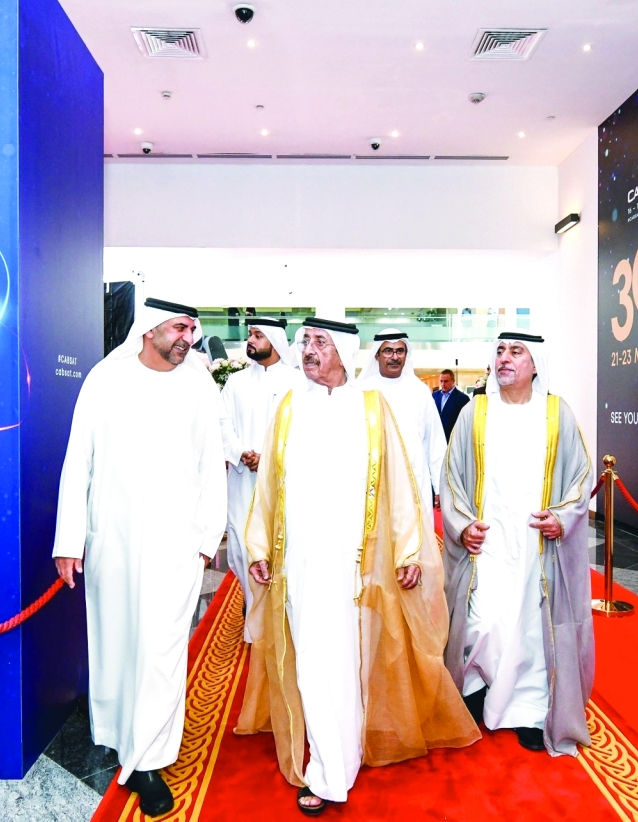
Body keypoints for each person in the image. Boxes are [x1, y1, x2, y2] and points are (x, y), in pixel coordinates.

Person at [235, 317, 478, 816]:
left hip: (354, 567)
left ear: (343, 352)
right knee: (310, 660)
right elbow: (268, 488)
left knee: (343, 661)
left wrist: (408, 550)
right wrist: (259, 548)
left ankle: (334, 767)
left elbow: (399, 485)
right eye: (305, 341)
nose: (309, 350)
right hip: (299, 562)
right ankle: (334, 761)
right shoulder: (289, 407)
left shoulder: (370, 408)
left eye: (320, 342)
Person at [53, 297, 227, 818]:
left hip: (177, 545)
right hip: (113, 540)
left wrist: (207, 538)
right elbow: (78, 460)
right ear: (150, 329)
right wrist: (69, 539)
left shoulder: (199, 385)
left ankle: (148, 759)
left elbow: (211, 465)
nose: (188, 338)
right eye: (179, 328)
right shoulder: (106, 379)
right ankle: (114, 731)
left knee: (161, 650)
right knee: (116, 641)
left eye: (192, 329)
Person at [441, 332, 593, 755]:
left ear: (535, 363)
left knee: (530, 627)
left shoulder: (556, 413)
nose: (504, 359)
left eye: (515, 352)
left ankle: (529, 708)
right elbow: (451, 477)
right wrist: (462, 525)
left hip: (535, 545)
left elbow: (581, 476)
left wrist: (561, 518)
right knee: (483, 620)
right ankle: (476, 686)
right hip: (487, 541)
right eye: (500, 351)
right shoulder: (475, 413)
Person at [219, 318, 302, 597]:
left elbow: (303, 430)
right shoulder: (236, 381)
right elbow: (222, 422)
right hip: (243, 480)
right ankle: (251, 604)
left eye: (258, 335)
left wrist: (269, 458)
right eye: (250, 335)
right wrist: (240, 452)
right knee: (242, 544)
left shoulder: (297, 383)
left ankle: (282, 607)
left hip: (284, 481)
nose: (250, 341)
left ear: (275, 341)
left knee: (283, 543)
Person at [358, 330, 447, 513]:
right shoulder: (362, 390)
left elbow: (435, 442)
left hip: (415, 479)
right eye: (388, 351)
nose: (395, 357)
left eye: (400, 351)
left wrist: (440, 487)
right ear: (377, 355)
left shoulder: (420, 391)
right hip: (372, 482)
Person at [433, 368, 470, 440]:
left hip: (453, 437)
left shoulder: (463, 398)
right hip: (437, 437)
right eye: (441, 381)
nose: (443, 384)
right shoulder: (435, 395)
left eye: (446, 381)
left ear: (453, 381)